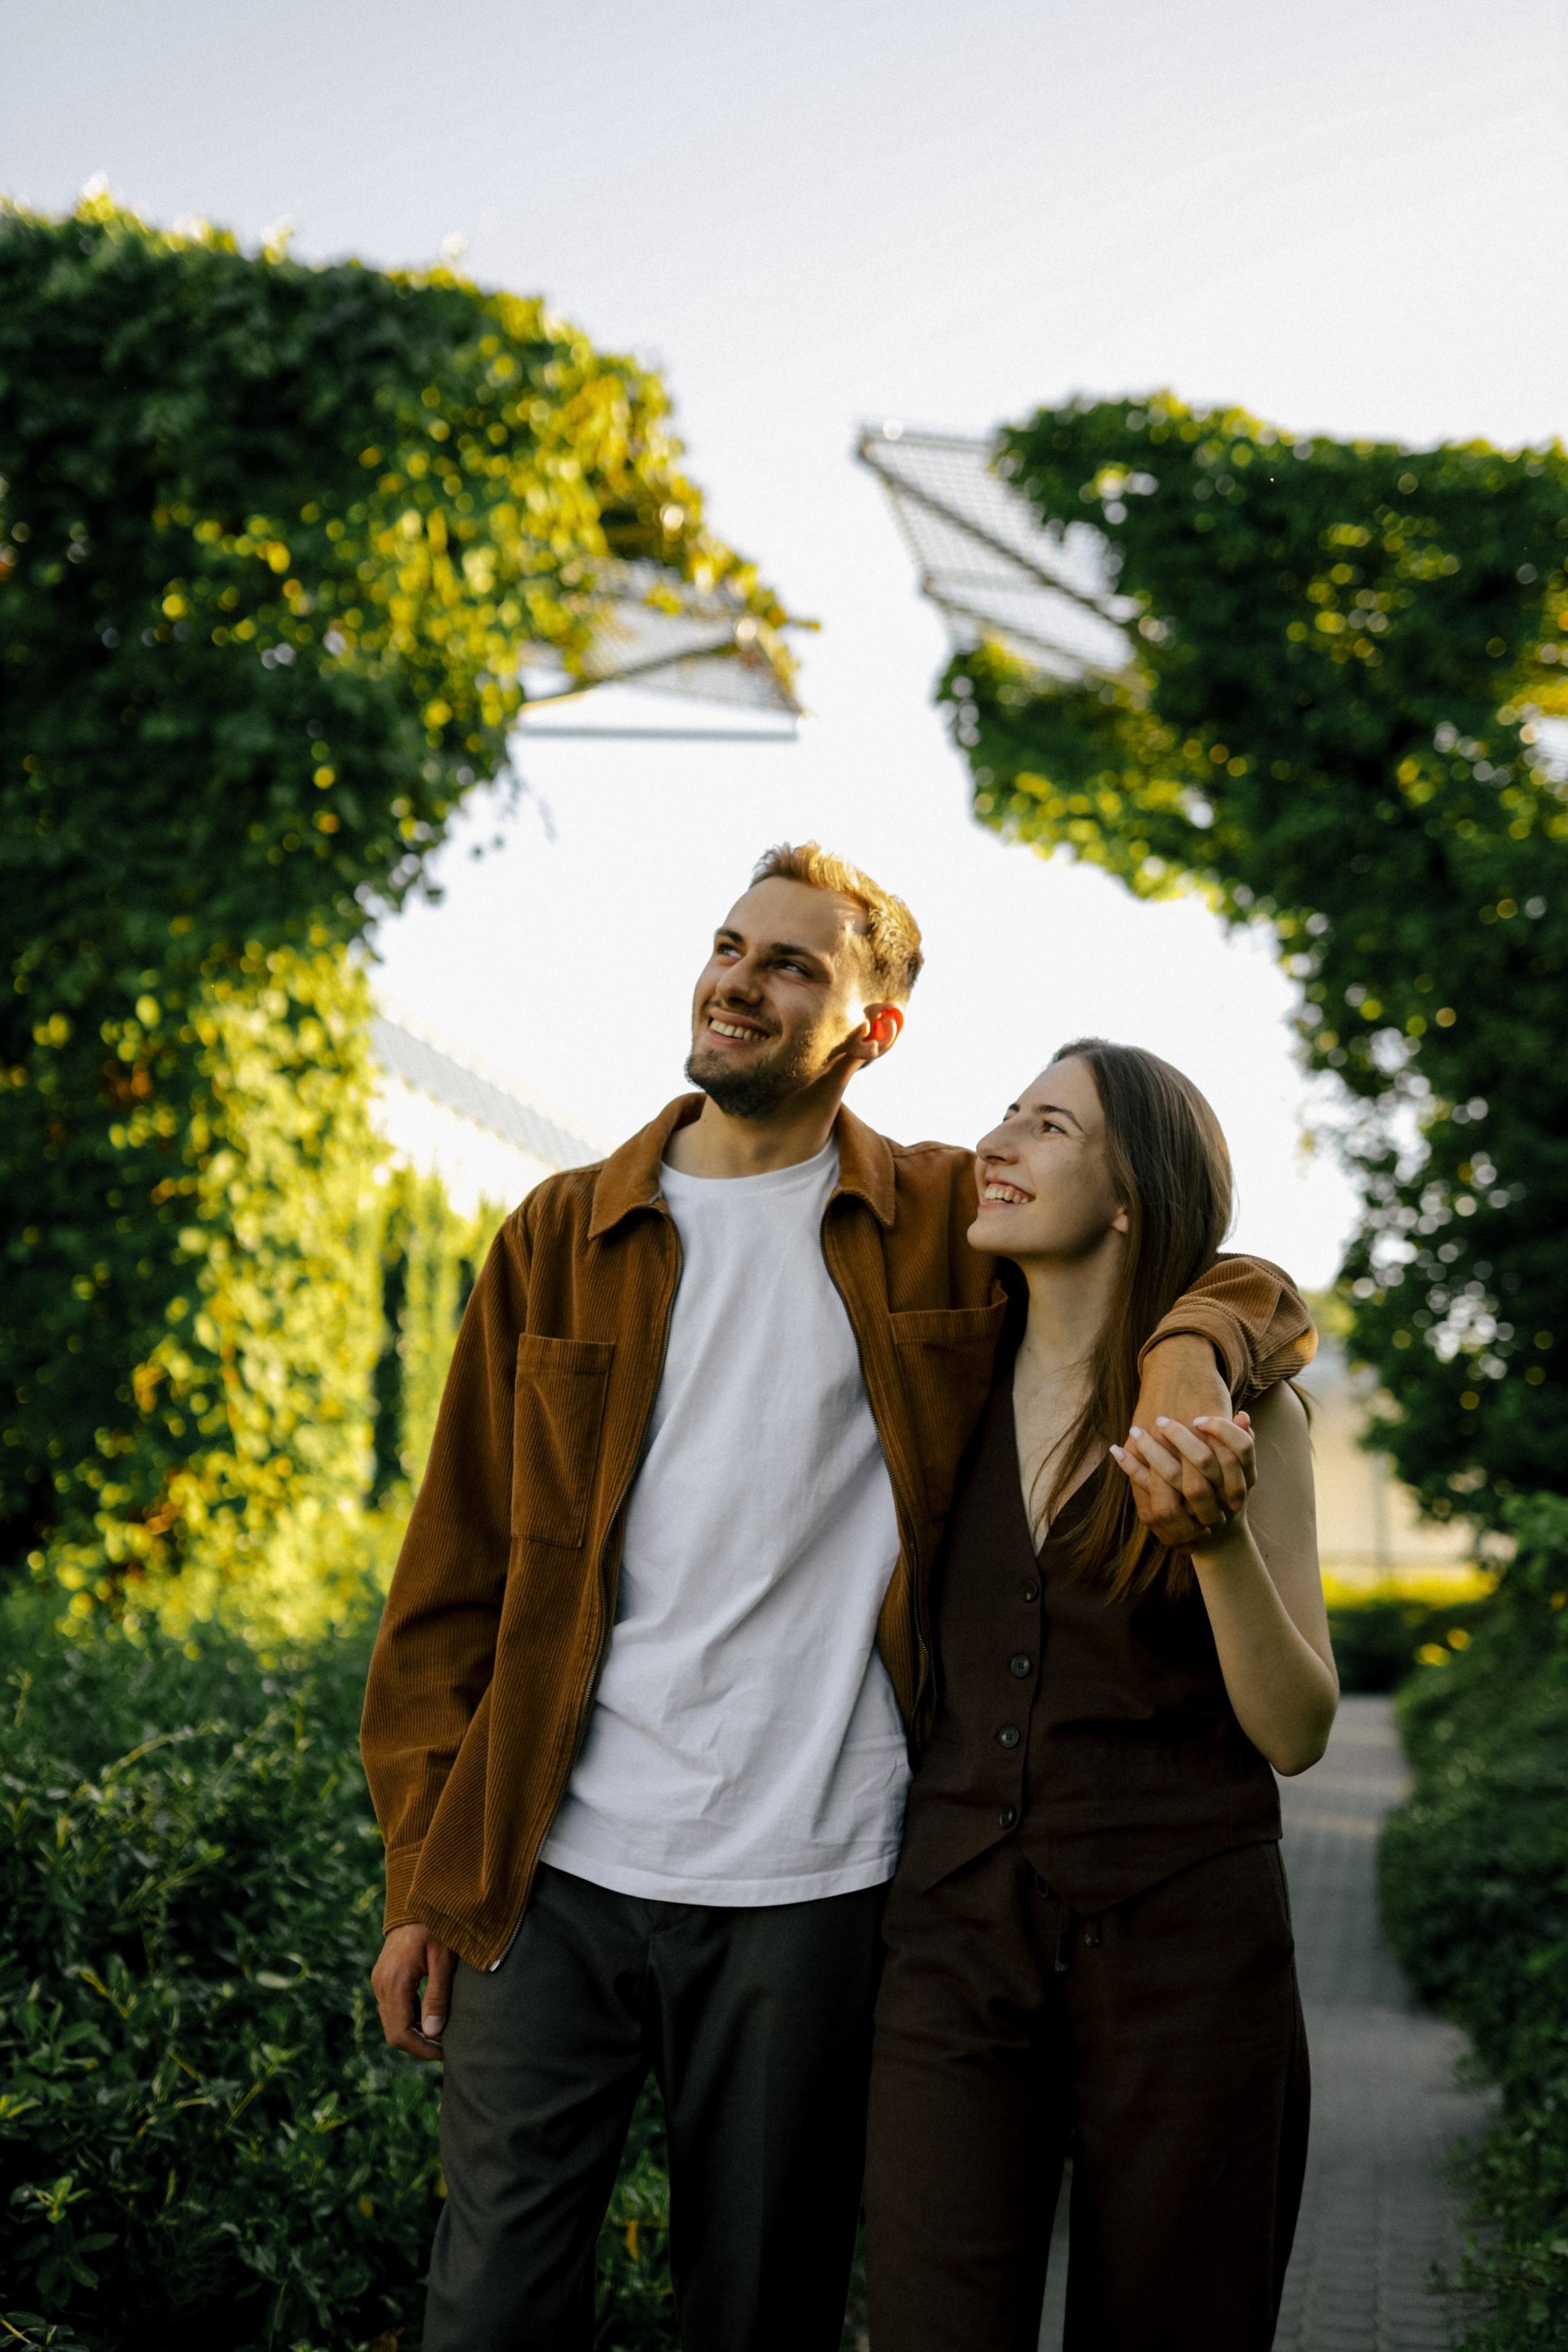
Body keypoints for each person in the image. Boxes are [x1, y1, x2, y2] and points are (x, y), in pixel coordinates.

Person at [360, 846, 1315, 2352]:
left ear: (871, 1028)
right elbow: (447, 1586)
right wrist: (426, 1868)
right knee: (487, 2310)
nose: (739, 978)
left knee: (762, 2314)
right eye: (731, 946)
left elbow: (1220, 1256)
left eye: (793, 965)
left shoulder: (940, 1216)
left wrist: (1187, 1349)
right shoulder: (560, 1232)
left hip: (814, 1885)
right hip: (550, 1875)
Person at [863, 1038, 1336, 2352]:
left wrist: (1213, 1538)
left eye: (1049, 1127)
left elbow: (1296, 1731)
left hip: (1188, 1953)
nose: (998, 1142)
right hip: (949, 1945)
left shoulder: (1248, 1416)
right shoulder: (933, 1382)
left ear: (1130, 1196)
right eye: (1004, 1115)